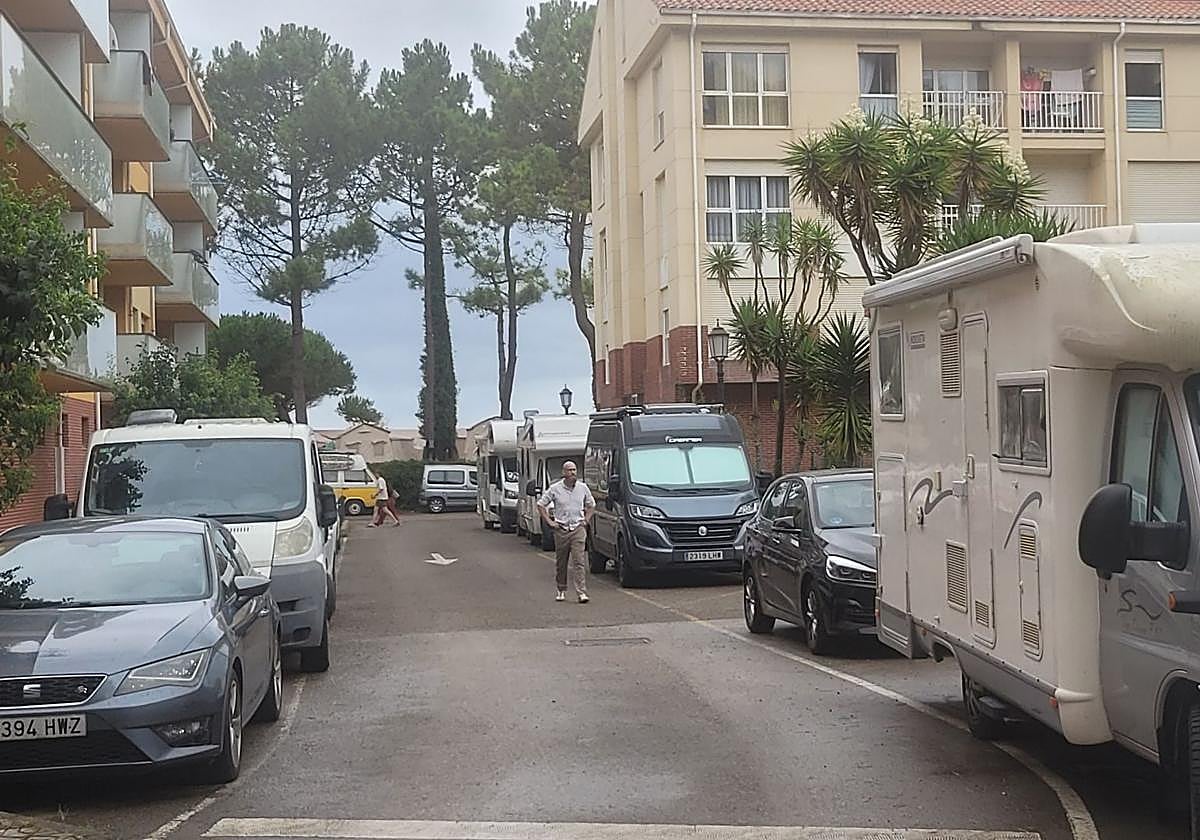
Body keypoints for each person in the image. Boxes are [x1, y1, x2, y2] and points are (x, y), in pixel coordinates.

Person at [537, 461, 595, 604]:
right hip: (561, 529)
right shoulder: (555, 489)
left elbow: (591, 505)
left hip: (577, 528)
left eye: (574, 470)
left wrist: (586, 520)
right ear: (564, 472)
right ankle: (561, 589)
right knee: (561, 562)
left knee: (579, 561)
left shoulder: (583, 488)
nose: (573, 472)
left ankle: (581, 592)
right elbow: (540, 504)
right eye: (569, 470)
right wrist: (550, 522)